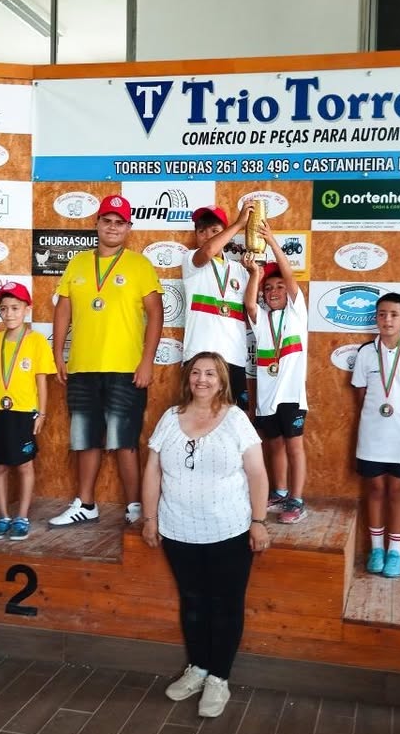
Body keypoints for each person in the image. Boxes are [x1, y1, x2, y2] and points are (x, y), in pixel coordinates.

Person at [141, 352, 269, 718]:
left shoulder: (236, 420)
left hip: (228, 530)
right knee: (193, 601)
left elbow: (257, 474)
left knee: (226, 605)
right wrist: (149, 518)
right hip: (177, 529)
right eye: (196, 372)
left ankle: (218, 678)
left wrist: (259, 521)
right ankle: (197, 668)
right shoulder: (170, 417)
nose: (202, 379)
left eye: (210, 373)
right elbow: (152, 471)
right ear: (187, 379)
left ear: (222, 380)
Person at [49, 194, 164, 529]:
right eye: (107, 221)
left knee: (124, 440)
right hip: (83, 366)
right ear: (97, 223)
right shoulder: (77, 263)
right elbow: (63, 309)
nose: (112, 227)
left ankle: (134, 506)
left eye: (119, 222)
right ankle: (86, 504)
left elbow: (156, 313)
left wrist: (147, 361)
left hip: (125, 368)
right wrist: (58, 354)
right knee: (85, 438)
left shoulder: (140, 265)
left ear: (128, 227)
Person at [351, 293, 400, 579]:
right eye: (382, 314)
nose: (387, 320)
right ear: (376, 318)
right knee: (374, 489)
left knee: (397, 491)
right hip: (372, 433)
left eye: (394, 314)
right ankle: (376, 550)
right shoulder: (365, 353)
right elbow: (360, 394)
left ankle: (395, 552)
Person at [0, 282, 57, 540]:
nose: (9, 313)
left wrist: (42, 413)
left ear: (27, 309)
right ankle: (3, 517)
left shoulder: (36, 341)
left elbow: (41, 380)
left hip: (24, 412)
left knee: (25, 465)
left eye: (15, 308)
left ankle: (22, 517)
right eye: (4, 309)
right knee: (0, 465)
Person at [244, 219, 309, 525]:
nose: (273, 291)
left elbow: (290, 277)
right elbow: (249, 304)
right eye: (268, 288)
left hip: (292, 396)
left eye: (279, 286)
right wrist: (255, 275)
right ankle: (280, 491)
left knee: (294, 446)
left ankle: (297, 498)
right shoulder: (261, 319)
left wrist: (271, 242)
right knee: (274, 445)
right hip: (267, 398)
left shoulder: (297, 313)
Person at [181, 202, 254, 411]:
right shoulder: (191, 260)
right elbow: (208, 251)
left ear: (224, 233)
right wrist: (239, 224)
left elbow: (251, 308)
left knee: (236, 419)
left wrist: (255, 273)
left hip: (233, 357)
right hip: (199, 357)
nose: (207, 236)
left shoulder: (240, 270)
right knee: (198, 417)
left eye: (215, 231)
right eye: (202, 231)